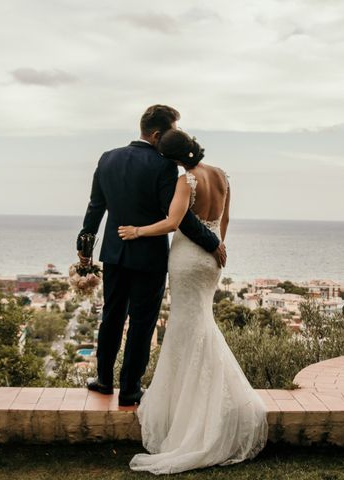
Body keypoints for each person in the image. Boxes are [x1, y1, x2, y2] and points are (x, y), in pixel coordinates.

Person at [118, 129, 269, 474]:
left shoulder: (187, 180)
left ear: (170, 157)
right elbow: (225, 219)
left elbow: (174, 222)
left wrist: (137, 231)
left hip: (187, 258)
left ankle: (187, 416)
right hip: (212, 257)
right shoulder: (221, 176)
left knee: (186, 328)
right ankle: (202, 404)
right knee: (201, 324)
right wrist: (218, 246)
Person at [76, 105, 227, 407]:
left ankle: (104, 380)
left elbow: (95, 208)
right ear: (158, 134)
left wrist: (84, 250)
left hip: (114, 253)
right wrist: (212, 242)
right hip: (150, 256)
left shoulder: (108, 158)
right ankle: (130, 389)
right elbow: (180, 218)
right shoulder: (164, 167)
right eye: (170, 131)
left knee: (111, 317)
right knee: (142, 324)